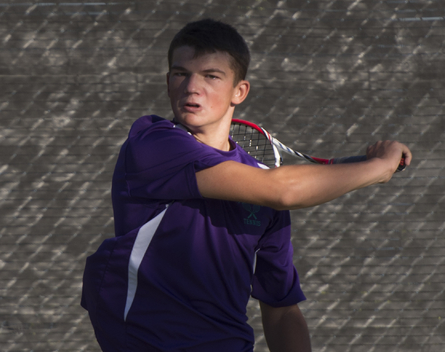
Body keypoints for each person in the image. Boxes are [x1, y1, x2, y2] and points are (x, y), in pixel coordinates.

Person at [81, 19, 411, 352]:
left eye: (211, 76)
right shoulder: (152, 144)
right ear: (168, 82)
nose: (192, 87)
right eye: (181, 73)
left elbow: (280, 307)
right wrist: (378, 167)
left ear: (239, 91)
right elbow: (284, 191)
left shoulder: (262, 183)